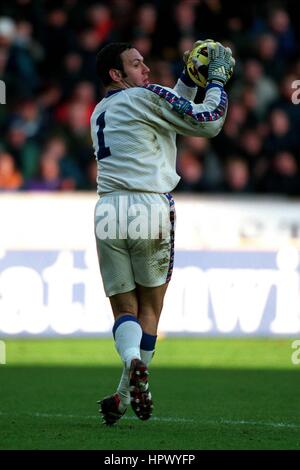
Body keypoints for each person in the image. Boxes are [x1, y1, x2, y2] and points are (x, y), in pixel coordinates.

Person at [90, 41, 234, 425]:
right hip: (149, 207)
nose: (146, 70)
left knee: (125, 311)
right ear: (116, 75)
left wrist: (188, 78)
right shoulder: (143, 96)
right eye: (136, 65)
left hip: (107, 209)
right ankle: (134, 381)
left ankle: (125, 387)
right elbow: (208, 121)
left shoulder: (100, 110)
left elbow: (168, 107)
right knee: (150, 309)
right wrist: (216, 80)